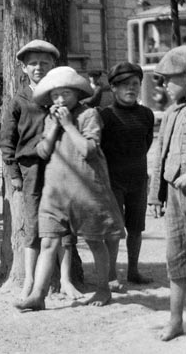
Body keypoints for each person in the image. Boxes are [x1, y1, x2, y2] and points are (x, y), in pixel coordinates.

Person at [16, 67, 124, 312]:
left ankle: (103, 288)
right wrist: (54, 127)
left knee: (96, 241)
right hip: (55, 192)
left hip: (87, 191)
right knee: (48, 243)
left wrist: (68, 125)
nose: (60, 100)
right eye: (55, 95)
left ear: (77, 92)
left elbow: (88, 150)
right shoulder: (49, 119)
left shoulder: (89, 115)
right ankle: (38, 295)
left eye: (65, 93)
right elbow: (42, 152)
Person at [0, 40, 81, 302]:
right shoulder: (19, 100)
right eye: (33, 63)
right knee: (32, 224)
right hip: (29, 168)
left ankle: (66, 280)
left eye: (44, 63)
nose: (38, 68)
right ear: (23, 68)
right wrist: (13, 171)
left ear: (53, 65)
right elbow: (7, 139)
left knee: (64, 223)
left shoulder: (61, 96)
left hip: (60, 165)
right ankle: (30, 283)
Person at [99, 62, 155, 288]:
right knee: (114, 229)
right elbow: (100, 149)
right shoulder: (106, 115)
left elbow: (146, 143)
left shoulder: (146, 114)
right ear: (113, 88)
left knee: (136, 228)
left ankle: (133, 271)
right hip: (113, 181)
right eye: (124, 85)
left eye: (135, 84)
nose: (130, 89)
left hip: (139, 180)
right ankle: (112, 274)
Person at [149, 46, 186, 341]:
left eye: (170, 79)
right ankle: (175, 320)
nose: (164, 87)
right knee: (176, 257)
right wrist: (155, 195)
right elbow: (160, 155)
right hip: (174, 195)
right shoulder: (172, 113)